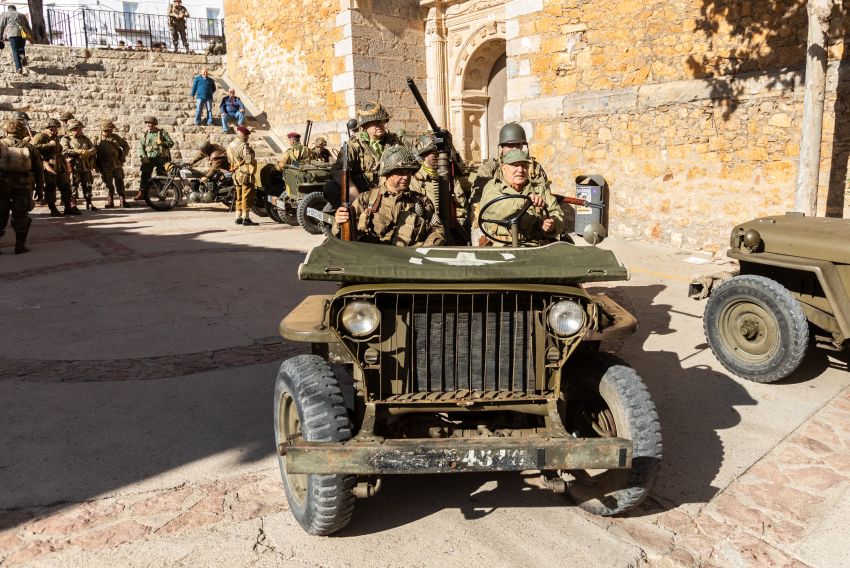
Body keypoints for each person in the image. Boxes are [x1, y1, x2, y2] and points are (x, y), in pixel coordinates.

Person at [333, 146, 445, 247]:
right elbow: (342, 235)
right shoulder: (366, 199)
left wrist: (426, 248)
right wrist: (339, 222)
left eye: (409, 172)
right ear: (387, 173)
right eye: (400, 172)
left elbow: (437, 230)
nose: (406, 177)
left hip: (410, 262)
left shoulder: (422, 202)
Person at [324, 101, 401, 209]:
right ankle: (351, 216)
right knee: (330, 187)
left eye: (381, 121)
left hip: (389, 189)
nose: (379, 125)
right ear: (365, 126)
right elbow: (338, 169)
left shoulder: (394, 142)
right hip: (362, 191)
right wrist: (351, 189)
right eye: (375, 122)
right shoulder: (354, 144)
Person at [478, 149, 563, 247]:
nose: (520, 170)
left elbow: (557, 214)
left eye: (524, 165)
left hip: (534, 244)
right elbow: (492, 209)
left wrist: (552, 224)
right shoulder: (493, 187)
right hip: (501, 244)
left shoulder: (539, 189)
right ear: (503, 167)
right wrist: (524, 201)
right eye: (515, 165)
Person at [472, 122, 549, 201]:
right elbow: (478, 199)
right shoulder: (489, 169)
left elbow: (544, 195)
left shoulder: (534, 168)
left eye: (518, 145)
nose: (515, 149)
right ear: (502, 146)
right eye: (511, 145)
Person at [0, 119, 43, 253]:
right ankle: (20, 245)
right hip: (24, 186)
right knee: (21, 215)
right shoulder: (29, 147)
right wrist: (40, 189)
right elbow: (38, 170)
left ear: (6, 130)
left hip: (2, 186)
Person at [410, 132, 468, 230]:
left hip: (453, 225)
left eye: (439, 152)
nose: (437, 155)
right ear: (423, 154)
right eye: (432, 152)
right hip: (430, 228)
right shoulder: (416, 181)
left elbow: (463, 202)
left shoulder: (450, 177)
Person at [30, 118, 76, 216]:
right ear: (49, 127)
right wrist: (48, 145)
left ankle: (68, 207)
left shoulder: (55, 137)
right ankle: (53, 208)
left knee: (66, 185)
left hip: (59, 164)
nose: (56, 129)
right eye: (54, 127)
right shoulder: (40, 136)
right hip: (49, 165)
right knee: (51, 187)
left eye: (56, 127)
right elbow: (32, 148)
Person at [62, 120, 98, 211]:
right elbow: (64, 150)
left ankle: (89, 202)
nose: (76, 130)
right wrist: (78, 151)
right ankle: (73, 203)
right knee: (73, 184)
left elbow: (94, 149)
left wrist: (87, 153)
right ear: (71, 130)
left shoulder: (85, 139)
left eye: (78, 129)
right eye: (74, 129)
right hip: (74, 165)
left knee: (88, 184)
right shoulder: (66, 139)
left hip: (85, 165)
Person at [135, 116, 174, 200]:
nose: (149, 125)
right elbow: (140, 147)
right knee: (145, 176)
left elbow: (171, 143)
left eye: (151, 124)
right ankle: (142, 193)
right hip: (148, 159)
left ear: (155, 124)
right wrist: (143, 156)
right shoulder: (145, 134)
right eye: (148, 123)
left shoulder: (162, 133)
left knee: (162, 177)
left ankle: (162, 194)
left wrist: (162, 143)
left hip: (161, 159)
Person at [94, 121, 130, 208]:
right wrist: (95, 165)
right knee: (108, 182)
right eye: (108, 130)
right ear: (103, 130)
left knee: (119, 180)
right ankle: (110, 201)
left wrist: (123, 156)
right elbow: (94, 154)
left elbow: (126, 146)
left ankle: (122, 200)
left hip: (116, 163)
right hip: (105, 164)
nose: (110, 132)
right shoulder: (97, 140)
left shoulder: (116, 138)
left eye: (111, 130)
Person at [227, 126, 257, 226]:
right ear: (244, 135)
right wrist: (252, 152)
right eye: (247, 135)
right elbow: (248, 159)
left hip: (236, 174)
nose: (248, 137)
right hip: (244, 174)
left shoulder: (230, 145)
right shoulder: (243, 146)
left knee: (239, 196)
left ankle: (238, 217)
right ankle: (246, 218)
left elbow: (229, 160)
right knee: (247, 195)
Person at [0, 6, 33, 75]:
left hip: (13, 33)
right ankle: (22, 55)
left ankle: (19, 68)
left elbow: (1, 26)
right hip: (23, 33)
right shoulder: (21, 15)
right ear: (15, 9)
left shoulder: (5, 14)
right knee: (21, 47)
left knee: (15, 50)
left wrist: (0, 37)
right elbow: (28, 26)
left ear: (8, 9)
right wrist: (31, 38)